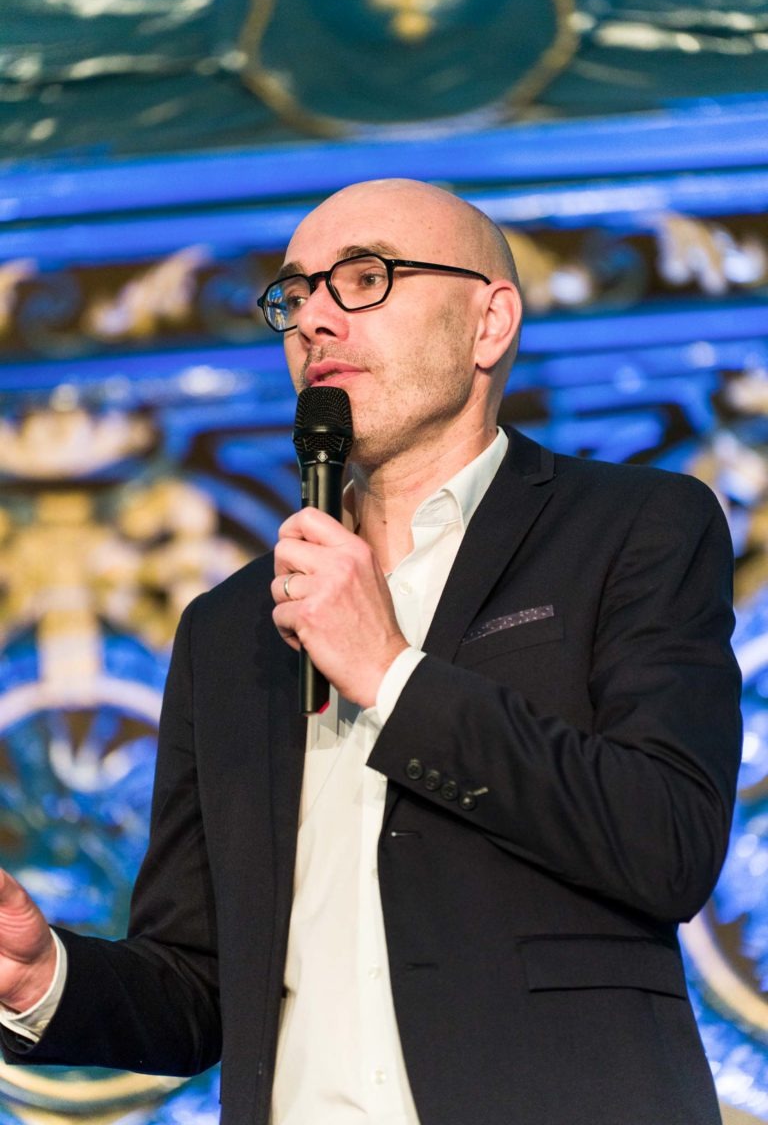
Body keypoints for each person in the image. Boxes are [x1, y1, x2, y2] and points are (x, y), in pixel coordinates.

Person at [0, 178, 743, 1125]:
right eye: (294, 293)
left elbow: (664, 844)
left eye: (364, 278)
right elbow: (197, 988)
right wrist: (39, 977)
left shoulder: (633, 528)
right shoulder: (231, 628)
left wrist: (392, 673)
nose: (313, 318)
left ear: (489, 322)